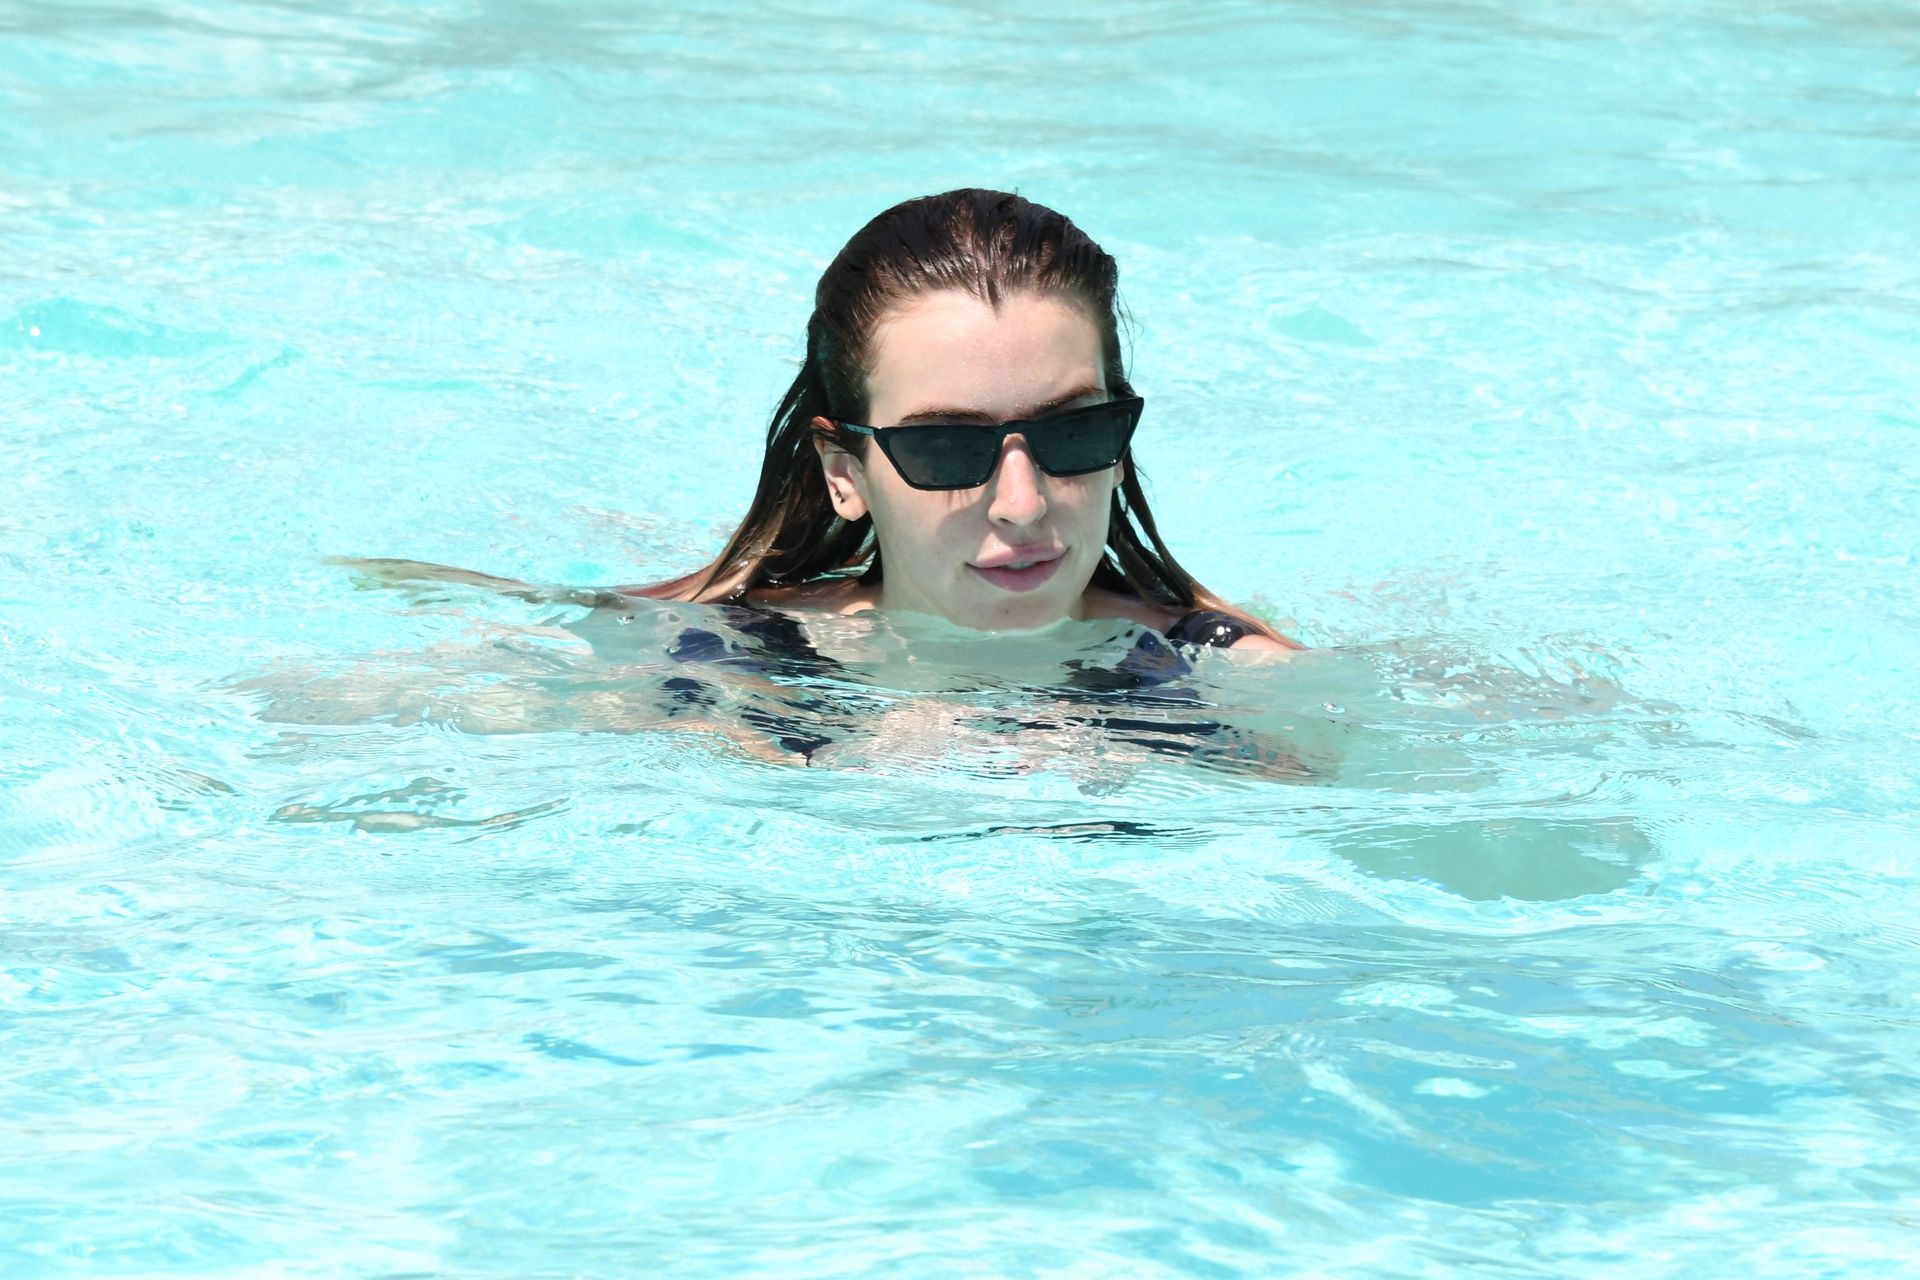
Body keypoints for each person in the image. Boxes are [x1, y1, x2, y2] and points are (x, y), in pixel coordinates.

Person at [633, 188, 1299, 654]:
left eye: (1074, 432)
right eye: (946, 446)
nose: (1022, 505)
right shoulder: (717, 661)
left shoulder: (1223, 680)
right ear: (845, 474)